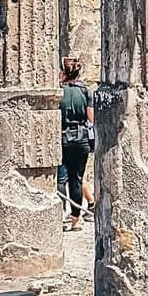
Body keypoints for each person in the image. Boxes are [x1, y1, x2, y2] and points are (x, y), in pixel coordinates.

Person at [58, 57, 94, 230]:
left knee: (61, 178)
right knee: (77, 179)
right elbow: (91, 118)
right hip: (81, 139)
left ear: (64, 73)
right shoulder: (86, 91)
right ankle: (75, 219)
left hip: (61, 137)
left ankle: (61, 216)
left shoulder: (58, 91)